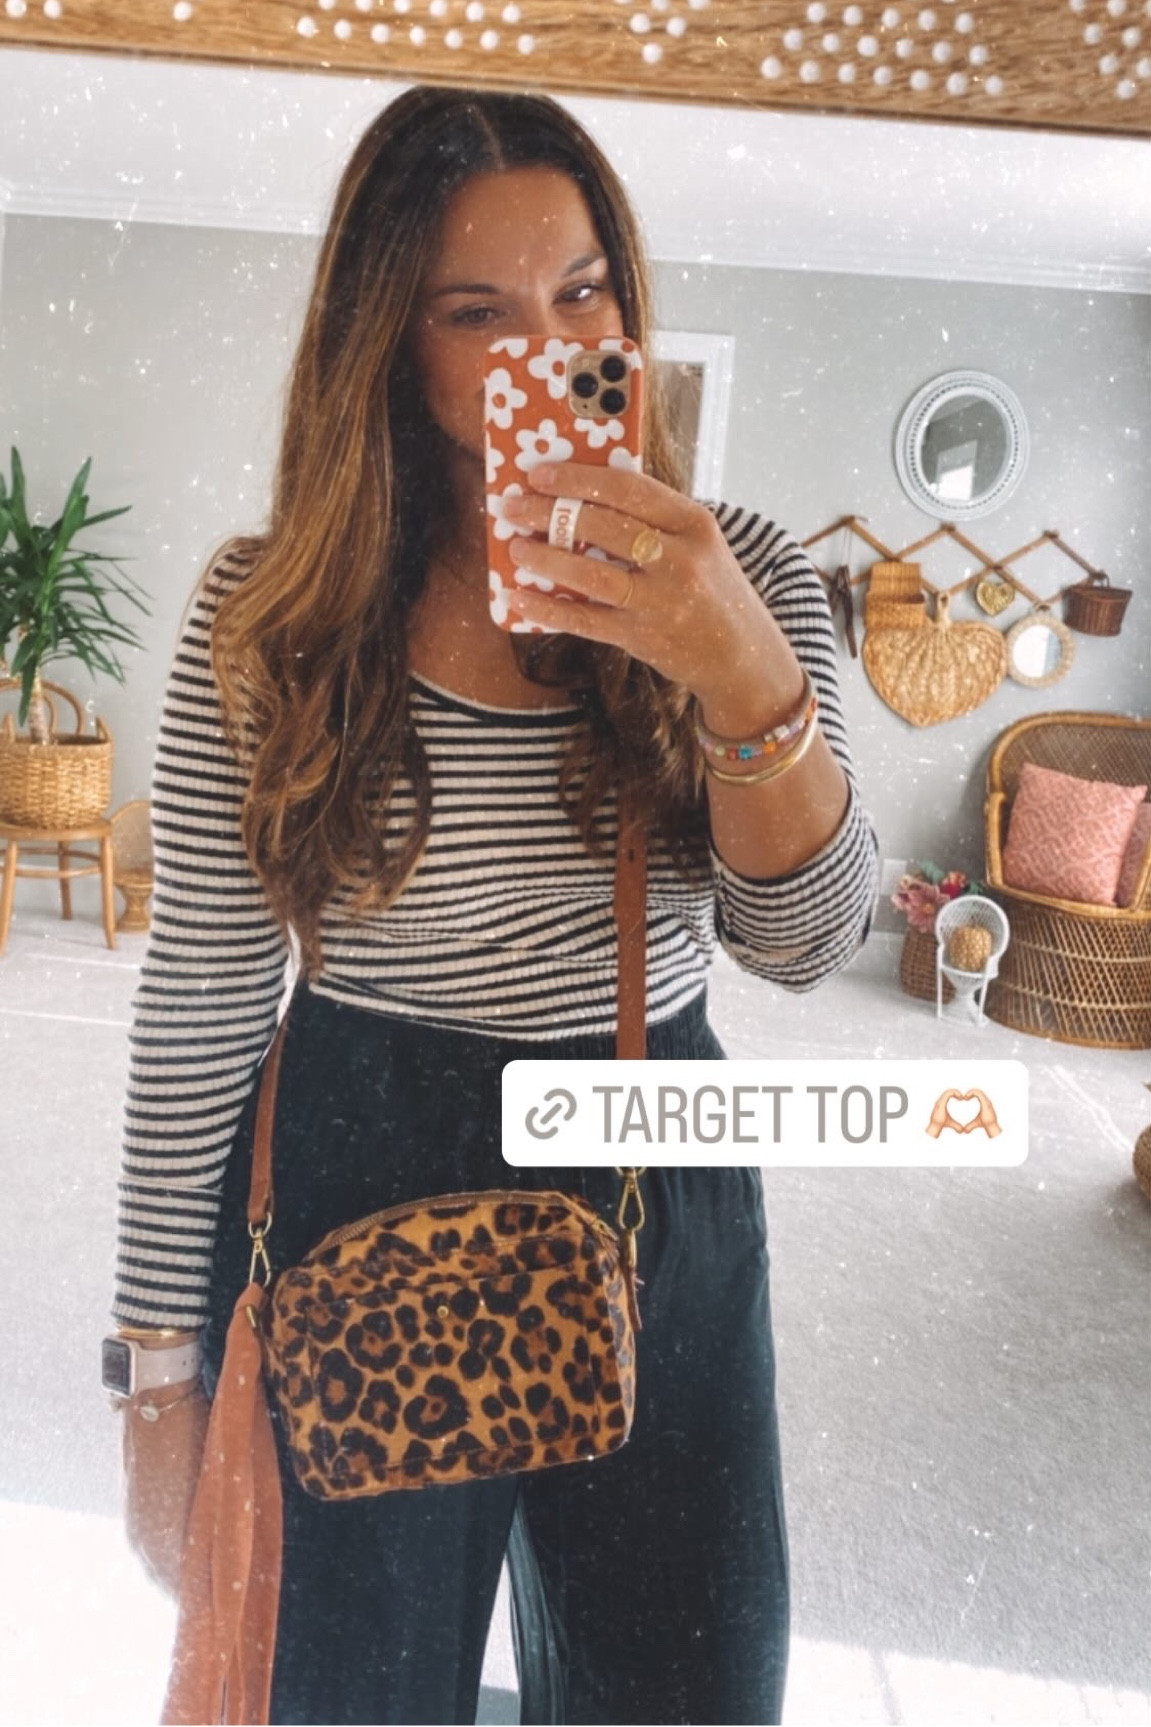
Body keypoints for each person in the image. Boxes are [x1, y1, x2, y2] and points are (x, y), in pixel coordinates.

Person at [106, 86, 879, 1726]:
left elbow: (809, 946)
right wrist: (157, 1377)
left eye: (583, 293)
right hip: (357, 1161)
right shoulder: (269, 613)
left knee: (685, 1692)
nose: (552, 349)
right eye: (478, 314)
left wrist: (741, 674)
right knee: (348, 1694)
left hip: (649, 1146)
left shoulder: (737, 571)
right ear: (387, 341)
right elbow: (201, 998)